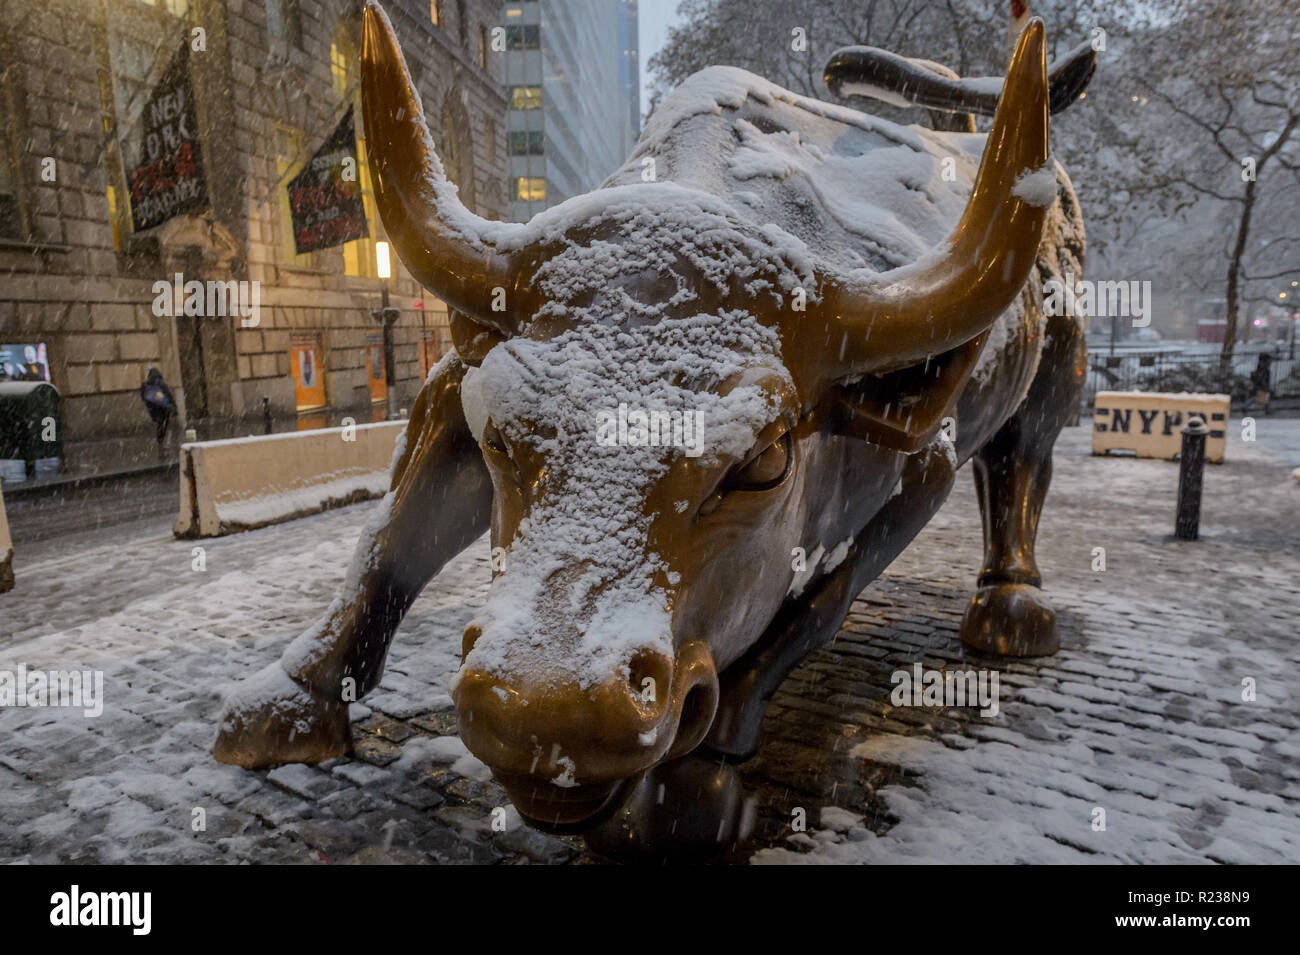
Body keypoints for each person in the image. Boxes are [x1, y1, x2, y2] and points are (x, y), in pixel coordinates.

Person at [140, 367, 177, 452]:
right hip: (164, 408)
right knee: (163, 424)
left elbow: (143, 397)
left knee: (160, 424)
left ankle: (160, 442)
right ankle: (162, 442)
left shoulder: (146, 384)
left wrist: (152, 403)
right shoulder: (160, 383)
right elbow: (168, 394)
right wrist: (173, 406)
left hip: (153, 409)